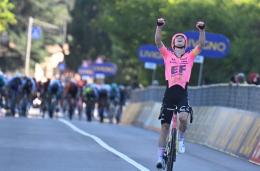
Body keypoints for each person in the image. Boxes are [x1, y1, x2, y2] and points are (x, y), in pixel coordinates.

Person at [154, 17, 205, 168]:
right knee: (164, 127)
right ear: (173, 43)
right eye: (178, 37)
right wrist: (159, 27)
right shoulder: (167, 54)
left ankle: (181, 137)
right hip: (169, 93)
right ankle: (159, 157)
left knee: (183, 118)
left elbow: (201, 45)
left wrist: (202, 30)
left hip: (182, 93)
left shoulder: (190, 56)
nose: (181, 39)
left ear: (186, 43)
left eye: (183, 38)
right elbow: (157, 42)